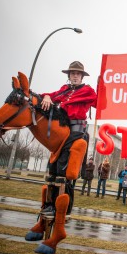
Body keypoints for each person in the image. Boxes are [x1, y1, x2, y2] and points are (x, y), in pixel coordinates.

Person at [40, 61, 97, 215]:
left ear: (82, 76)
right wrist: (46, 96)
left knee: (62, 167)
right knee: (53, 167)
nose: (75, 76)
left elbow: (99, 102)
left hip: (77, 130)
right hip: (63, 128)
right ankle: (49, 204)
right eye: (72, 73)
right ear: (69, 76)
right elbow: (51, 96)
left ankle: (59, 206)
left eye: (78, 73)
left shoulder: (87, 90)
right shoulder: (64, 90)